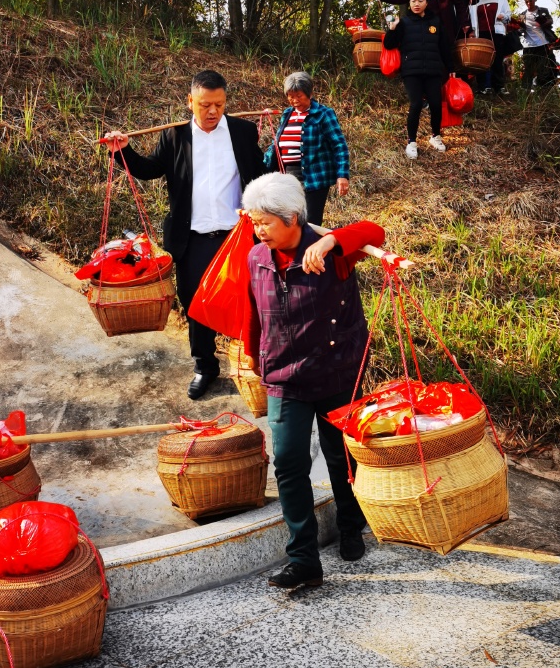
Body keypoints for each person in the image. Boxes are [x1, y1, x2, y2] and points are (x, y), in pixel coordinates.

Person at [241, 172, 386, 588]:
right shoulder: (256, 257)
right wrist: (254, 354)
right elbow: (255, 312)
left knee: (340, 456)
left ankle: (350, 525)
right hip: (284, 379)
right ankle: (303, 559)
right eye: (254, 222)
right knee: (288, 462)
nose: (258, 230)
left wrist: (330, 239)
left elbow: (374, 231)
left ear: (292, 218)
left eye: (264, 222)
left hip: (336, 372)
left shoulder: (334, 255)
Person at [103, 69, 265, 400]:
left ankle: (254, 366)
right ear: (190, 101)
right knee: (195, 305)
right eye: (205, 104)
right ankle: (205, 366)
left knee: (250, 301)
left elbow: (262, 175)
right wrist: (122, 151)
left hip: (236, 237)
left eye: (219, 104)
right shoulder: (175, 137)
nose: (212, 112)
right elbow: (149, 170)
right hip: (193, 239)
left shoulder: (243, 132)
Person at [264, 71, 350, 227]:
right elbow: (277, 143)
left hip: (313, 177)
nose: (294, 100)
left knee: (310, 222)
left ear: (310, 94)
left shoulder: (323, 114)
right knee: (290, 221)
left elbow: (339, 145)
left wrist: (342, 175)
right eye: (290, 96)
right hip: (288, 177)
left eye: (299, 96)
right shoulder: (287, 114)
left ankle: (312, 250)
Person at [383, 0, 454, 159]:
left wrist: (451, 69)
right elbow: (389, 44)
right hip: (411, 71)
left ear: (426, 2)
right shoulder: (404, 22)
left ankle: (435, 136)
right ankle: (411, 142)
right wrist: (392, 29)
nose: (416, 4)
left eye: (420, 0)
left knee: (436, 104)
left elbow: (444, 47)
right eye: (413, 1)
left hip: (433, 70)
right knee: (415, 104)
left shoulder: (436, 22)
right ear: (409, 2)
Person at [468, 0, 512, 95]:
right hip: (480, 33)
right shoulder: (475, 0)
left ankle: (499, 86)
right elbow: (470, 16)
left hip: (496, 32)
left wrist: (503, 17)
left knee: (497, 59)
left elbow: (509, 16)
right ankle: (483, 87)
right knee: (481, 60)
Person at [516, 0, 559, 90]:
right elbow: (519, 29)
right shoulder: (522, 15)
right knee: (528, 67)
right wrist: (518, 27)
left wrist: (543, 22)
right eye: (526, 1)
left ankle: (543, 88)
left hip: (542, 43)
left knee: (544, 67)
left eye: (530, 1)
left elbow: (550, 21)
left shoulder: (543, 10)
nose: (528, 3)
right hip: (528, 45)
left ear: (535, 0)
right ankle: (525, 89)